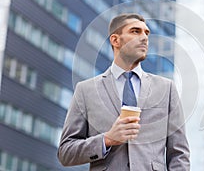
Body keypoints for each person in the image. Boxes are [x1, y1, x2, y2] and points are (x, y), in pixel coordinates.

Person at [57, 13, 190, 170]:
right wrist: (106, 140)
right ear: (115, 40)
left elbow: (179, 154)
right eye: (135, 31)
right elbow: (65, 152)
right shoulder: (86, 90)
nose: (144, 38)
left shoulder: (166, 89)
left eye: (146, 33)